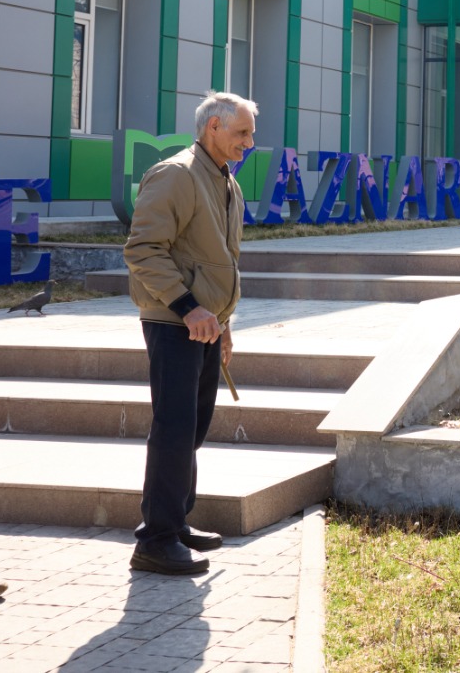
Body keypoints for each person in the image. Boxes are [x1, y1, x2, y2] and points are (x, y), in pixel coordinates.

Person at [123, 91, 255, 575]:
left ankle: (173, 523)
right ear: (212, 127)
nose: (249, 142)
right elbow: (142, 249)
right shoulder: (176, 174)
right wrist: (189, 307)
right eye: (242, 132)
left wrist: (223, 323)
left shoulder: (226, 182)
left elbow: (220, 261)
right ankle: (155, 541)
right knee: (175, 427)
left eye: (251, 133)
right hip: (173, 321)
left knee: (192, 428)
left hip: (204, 325)